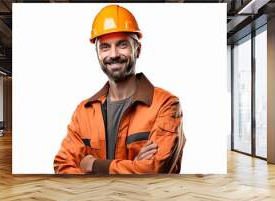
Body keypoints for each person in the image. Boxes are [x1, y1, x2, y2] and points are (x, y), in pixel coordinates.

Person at [54, 5, 185, 174]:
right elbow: (63, 166)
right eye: (105, 47)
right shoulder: (83, 112)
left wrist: (93, 165)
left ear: (137, 50)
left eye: (122, 45)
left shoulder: (165, 104)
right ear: (97, 53)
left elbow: (155, 169)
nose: (113, 54)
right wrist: (133, 166)